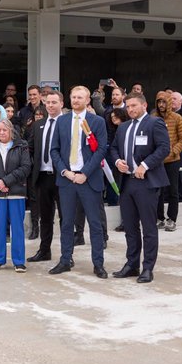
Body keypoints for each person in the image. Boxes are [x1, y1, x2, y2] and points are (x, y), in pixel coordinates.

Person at [48, 86, 111, 278]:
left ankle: (98, 263)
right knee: (66, 222)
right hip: (67, 180)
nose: (75, 100)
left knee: (94, 224)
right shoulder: (62, 121)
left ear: (87, 100)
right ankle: (65, 259)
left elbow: (100, 150)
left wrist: (84, 173)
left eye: (80, 97)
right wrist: (65, 171)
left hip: (88, 180)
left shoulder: (97, 121)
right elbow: (54, 150)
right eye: (73, 97)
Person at [106, 93, 170, 283]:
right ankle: (131, 264)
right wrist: (117, 161)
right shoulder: (124, 127)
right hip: (127, 182)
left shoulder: (154, 123)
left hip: (147, 182)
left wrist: (145, 165)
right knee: (130, 227)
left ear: (144, 105)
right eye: (128, 106)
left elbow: (163, 148)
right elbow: (114, 148)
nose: (130, 109)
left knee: (148, 228)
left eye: (134, 105)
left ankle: (148, 267)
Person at [0, 118, 33, 272]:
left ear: (11, 131)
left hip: (16, 193)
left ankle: (19, 261)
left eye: (5, 130)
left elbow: (26, 167)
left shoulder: (21, 145)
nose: (2, 133)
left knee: (17, 228)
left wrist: (6, 181)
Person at [27, 90, 63, 263]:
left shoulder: (67, 123)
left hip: (63, 178)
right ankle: (44, 251)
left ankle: (66, 255)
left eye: (54, 102)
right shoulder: (38, 125)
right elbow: (30, 149)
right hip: (42, 177)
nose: (50, 105)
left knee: (65, 218)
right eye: (48, 102)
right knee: (45, 217)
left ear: (61, 104)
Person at [154, 90, 182, 231]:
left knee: (173, 190)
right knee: (158, 191)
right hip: (156, 160)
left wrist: (174, 151)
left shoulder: (177, 118)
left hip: (173, 160)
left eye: (163, 102)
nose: (161, 105)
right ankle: (159, 218)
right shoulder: (152, 118)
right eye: (159, 102)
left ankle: (172, 219)